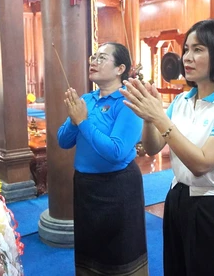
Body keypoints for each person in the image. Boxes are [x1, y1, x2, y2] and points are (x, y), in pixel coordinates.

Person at [120, 19, 214, 276]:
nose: (186, 58)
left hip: (213, 207)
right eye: (186, 49)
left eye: (198, 49)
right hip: (177, 198)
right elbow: (153, 147)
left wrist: (159, 117)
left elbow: (201, 163)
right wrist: (150, 117)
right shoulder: (182, 100)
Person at [57, 42, 148, 275]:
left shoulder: (129, 101)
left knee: (119, 255)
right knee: (90, 255)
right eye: (93, 57)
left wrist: (83, 122)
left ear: (120, 68)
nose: (94, 62)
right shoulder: (87, 99)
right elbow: (64, 141)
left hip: (118, 188)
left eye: (102, 58)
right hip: (86, 188)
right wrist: (74, 119)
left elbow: (116, 152)